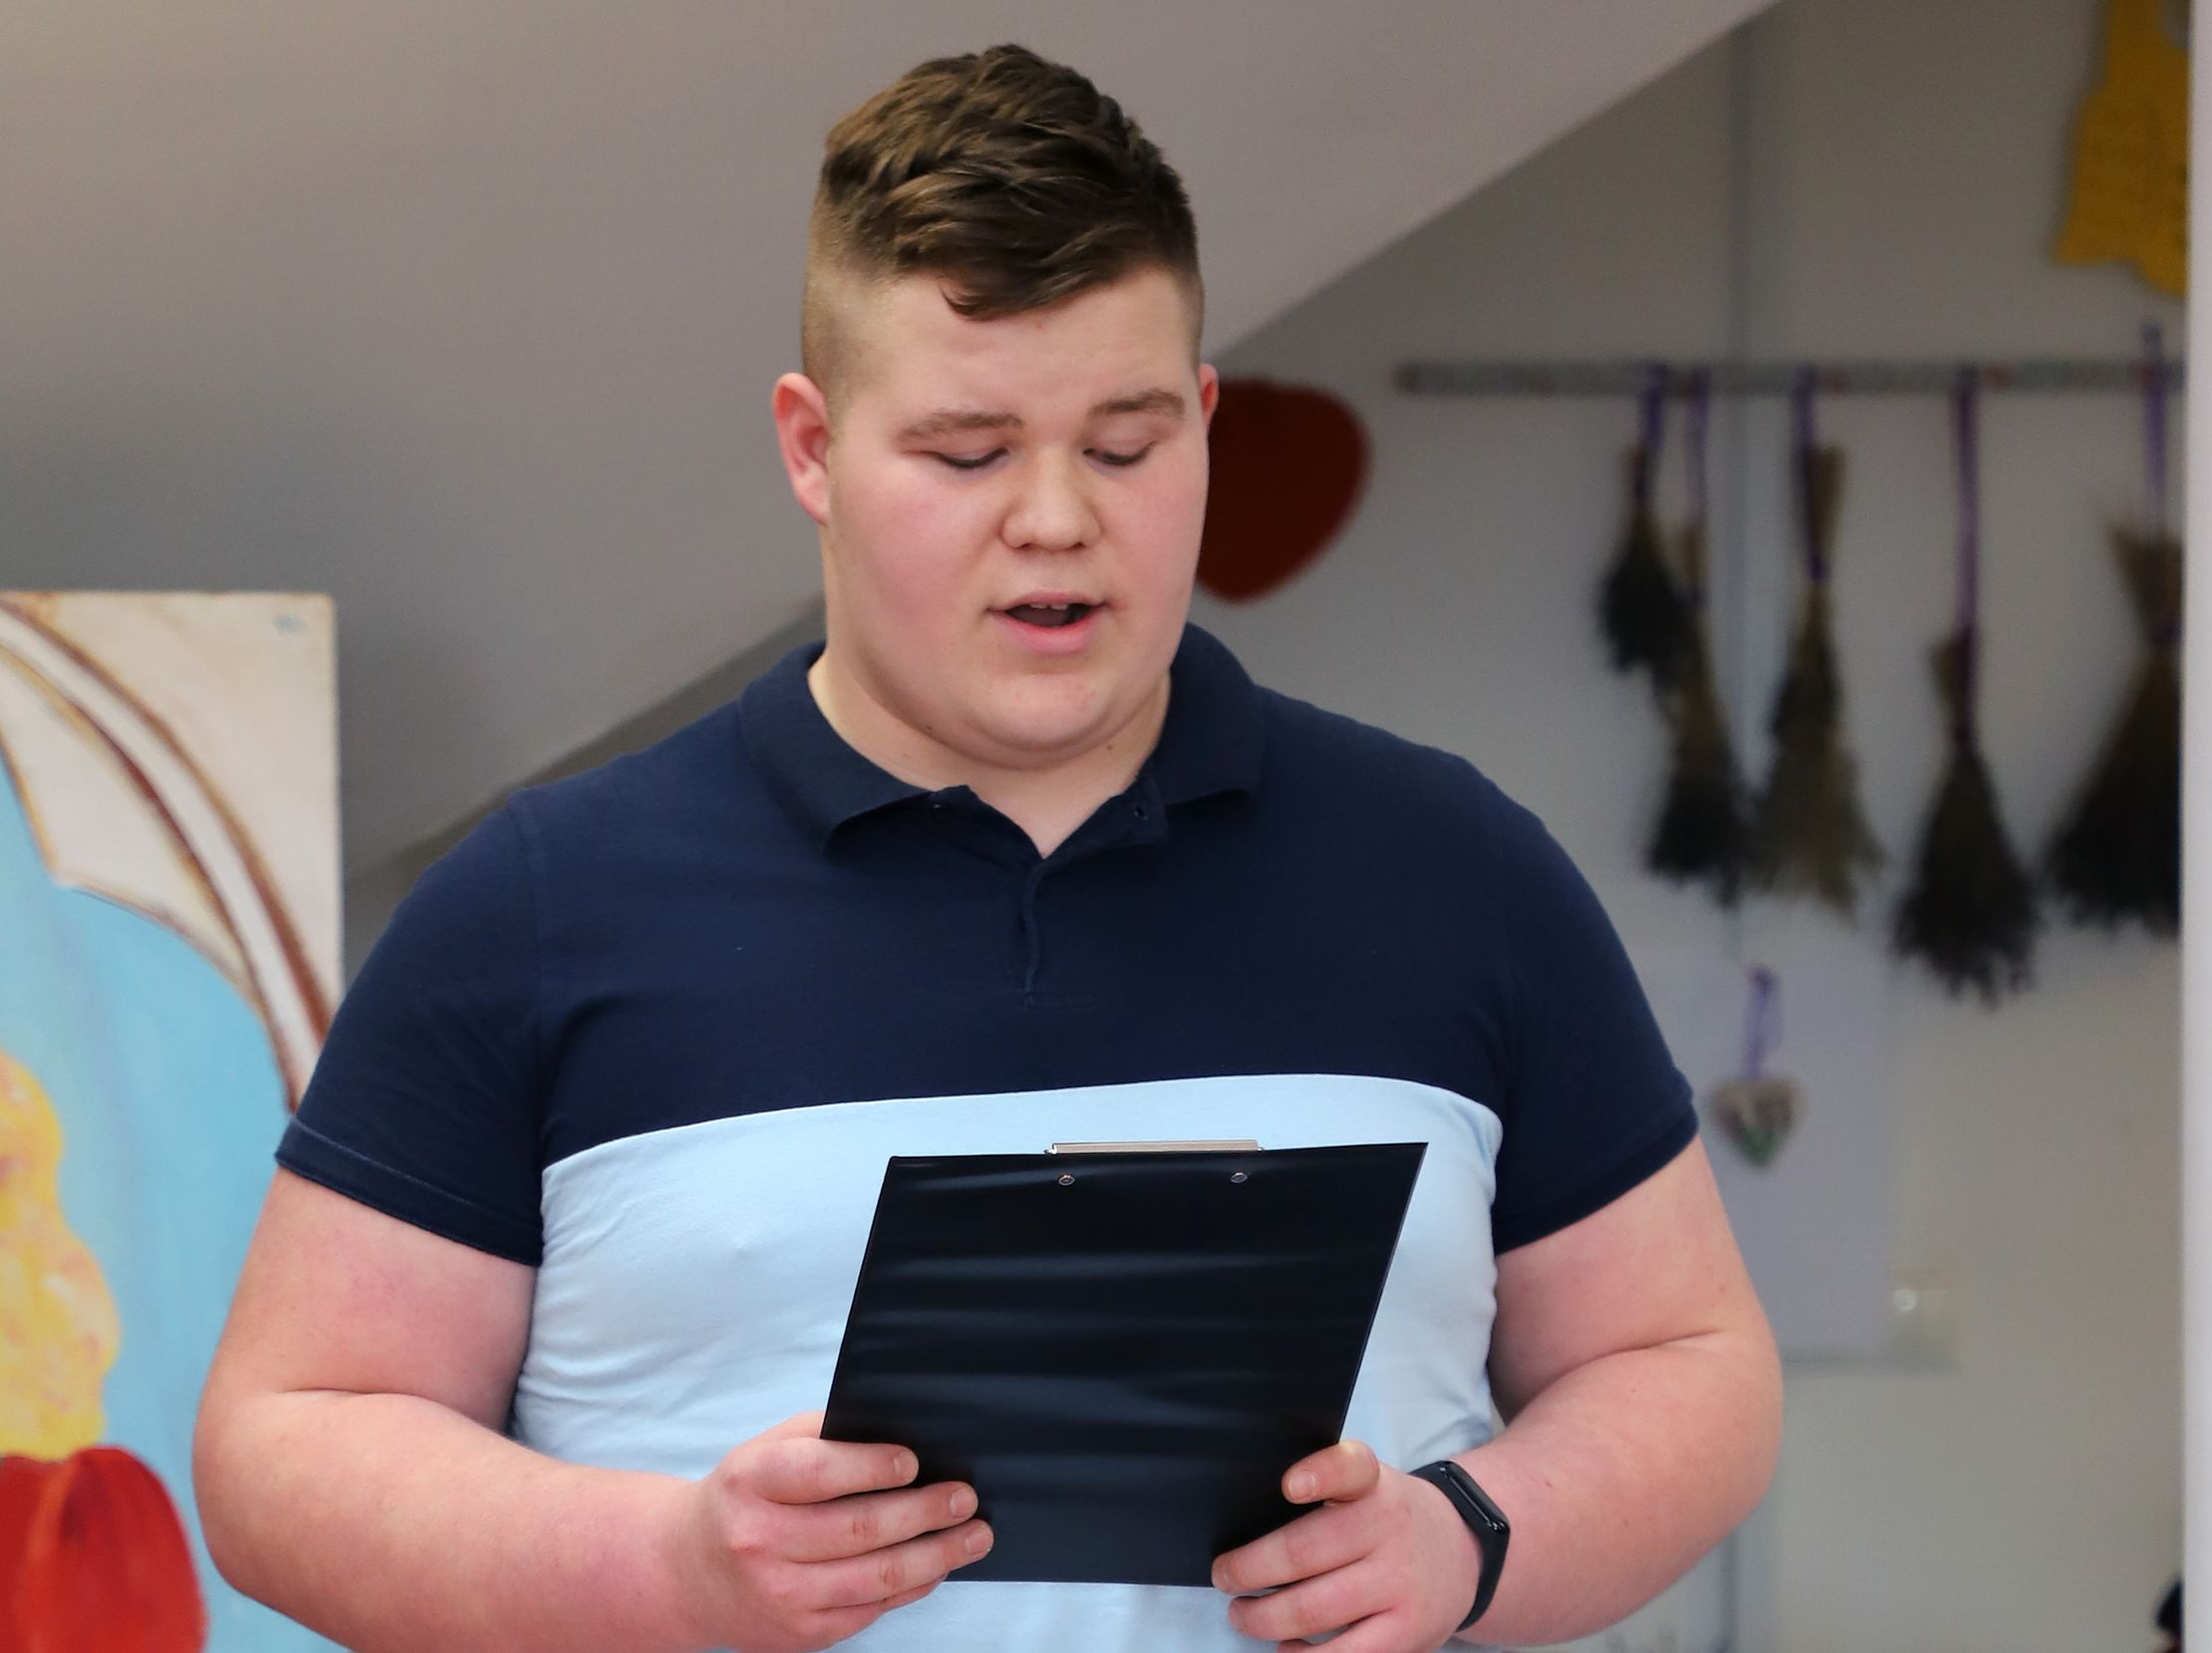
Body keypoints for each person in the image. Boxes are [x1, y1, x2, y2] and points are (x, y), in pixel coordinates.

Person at [193, 42, 1781, 1653]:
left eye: (1125, 444)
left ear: (1205, 420)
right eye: (967, 453)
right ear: (811, 449)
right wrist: (667, 1567)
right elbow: (282, 1450)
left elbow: (1688, 1364)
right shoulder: (538, 902)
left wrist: (1466, 1543)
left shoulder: (1458, 871)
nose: (1056, 518)